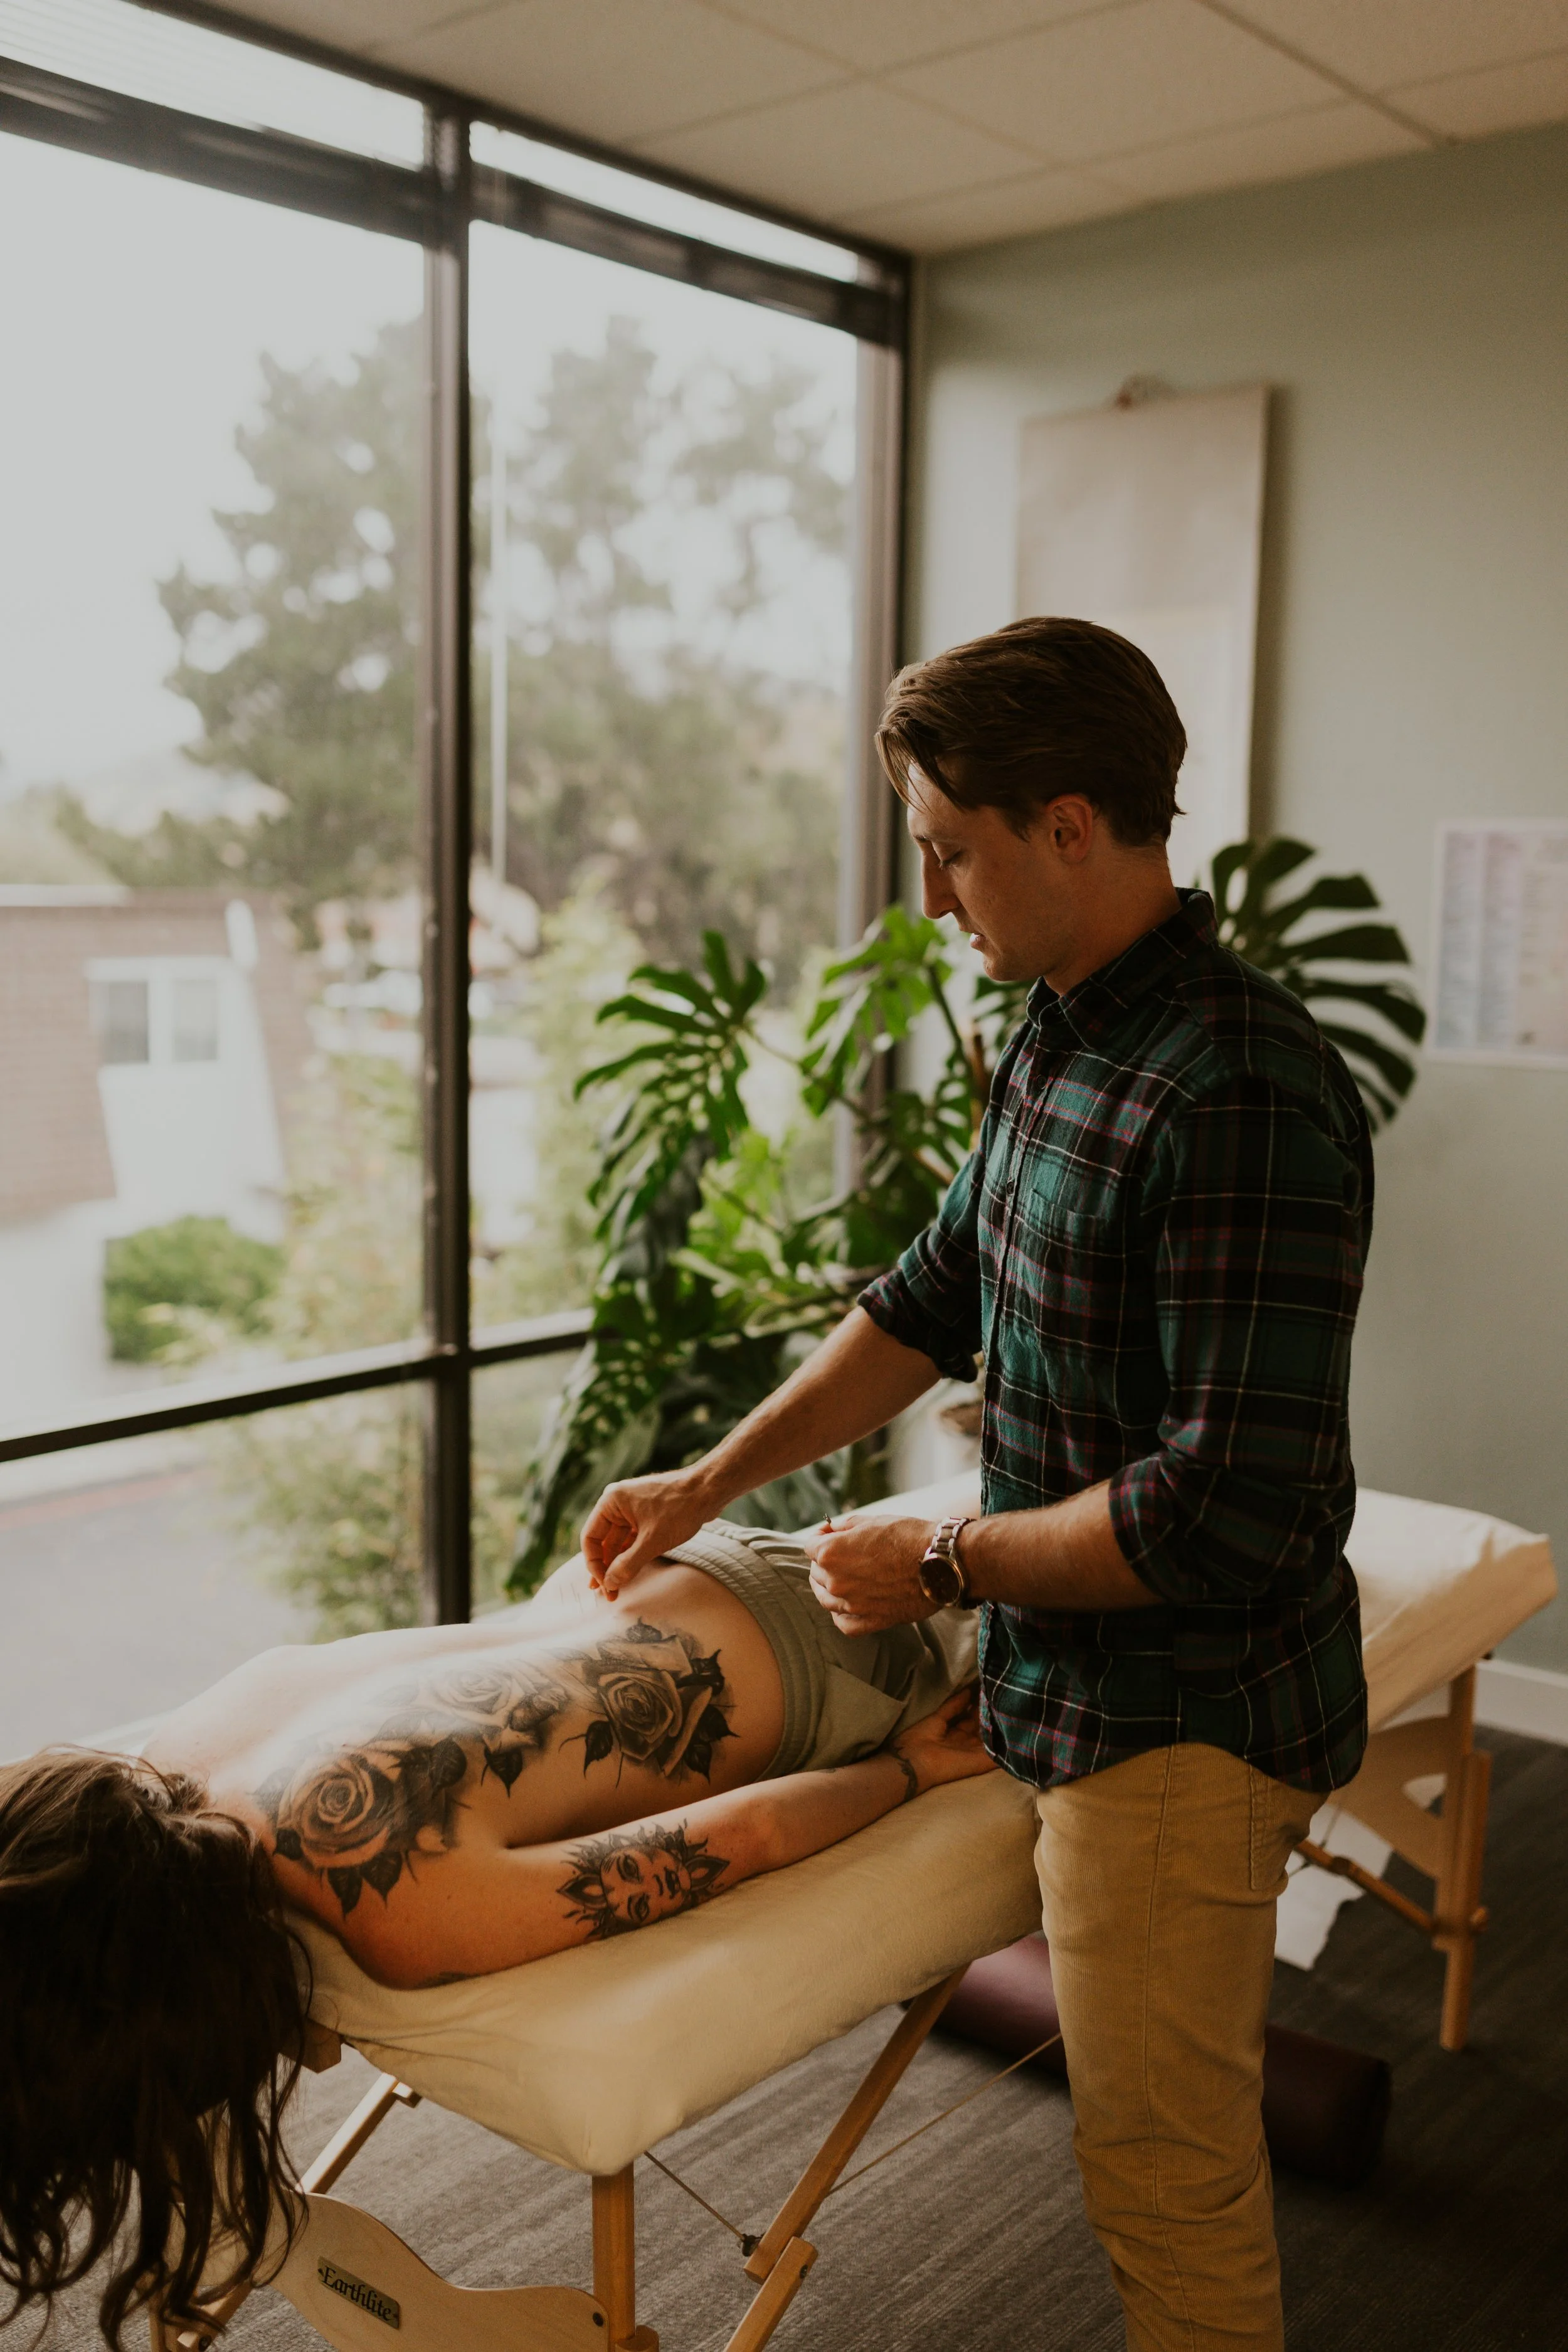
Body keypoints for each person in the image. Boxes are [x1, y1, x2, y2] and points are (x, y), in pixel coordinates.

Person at [581, 617, 1372, 2352]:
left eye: (950, 849)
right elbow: (932, 1292)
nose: (932, 898)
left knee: (1164, 2169)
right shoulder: (1060, 1030)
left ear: (1070, 823)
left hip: (1180, 1717)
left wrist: (939, 1555)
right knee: (1144, 2140)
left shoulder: (1237, 1088)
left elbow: (1226, 1510)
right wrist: (709, 1477)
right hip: (1055, 1677)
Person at [0, 1522, 988, 2346]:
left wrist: (911, 1773)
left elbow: (753, 1833)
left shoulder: (400, 1905)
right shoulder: (185, 1745)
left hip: (843, 1656)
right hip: (675, 1568)